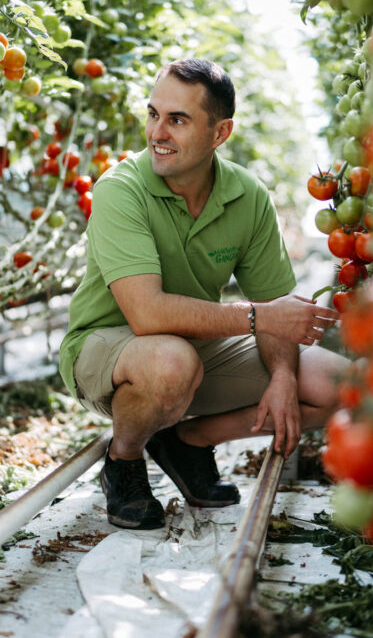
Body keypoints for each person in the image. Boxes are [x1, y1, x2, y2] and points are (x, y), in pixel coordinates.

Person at [59, 58, 347, 530]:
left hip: (194, 349)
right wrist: (258, 318)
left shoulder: (247, 196)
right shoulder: (121, 190)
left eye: (177, 120)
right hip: (107, 348)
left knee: (345, 385)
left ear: (220, 133)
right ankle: (123, 460)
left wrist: (283, 375)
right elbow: (147, 314)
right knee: (170, 363)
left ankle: (188, 442)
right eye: (153, 114)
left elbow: (274, 302)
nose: (157, 133)